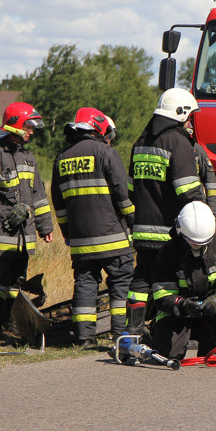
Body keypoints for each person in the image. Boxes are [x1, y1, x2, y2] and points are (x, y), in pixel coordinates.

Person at [51, 108, 134, 346]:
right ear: (97, 127)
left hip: (80, 240)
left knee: (85, 284)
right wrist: (132, 222)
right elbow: (122, 192)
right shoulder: (105, 152)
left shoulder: (61, 158)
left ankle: (85, 337)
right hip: (113, 238)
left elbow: (59, 204)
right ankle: (121, 335)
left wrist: (69, 234)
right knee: (121, 283)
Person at [126, 88, 206, 336]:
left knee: (141, 280)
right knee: (171, 282)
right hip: (170, 232)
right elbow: (189, 192)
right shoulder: (178, 142)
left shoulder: (140, 142)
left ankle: (132, 332)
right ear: (180, 113)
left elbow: (131, 189)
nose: (191, 122)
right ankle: (167, 333)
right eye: (190, 116)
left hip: (142, 230)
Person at [0, 102, 53, 339]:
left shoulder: (29, 158)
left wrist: (45, 227)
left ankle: (10, 324)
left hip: (24, 237)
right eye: (29, 127)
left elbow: (39, 196)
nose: (32, 132)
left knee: (17, 282)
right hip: (0, 232)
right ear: (16, 125)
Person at [149, 201, 216, 360]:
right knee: (167, 355)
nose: (197, 247)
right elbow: (162, 296)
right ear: (180, 232)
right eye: (193, 242)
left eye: (202, 243)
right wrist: (183, 305)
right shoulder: (167, 253)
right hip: (180, 312)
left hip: (212, 309)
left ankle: (213, 342)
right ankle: (158, 336)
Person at [184, 118, 216, 214]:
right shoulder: (171, 148)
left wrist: (214, 211)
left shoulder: (197, 150)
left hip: (198, 209)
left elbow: (211, 184)